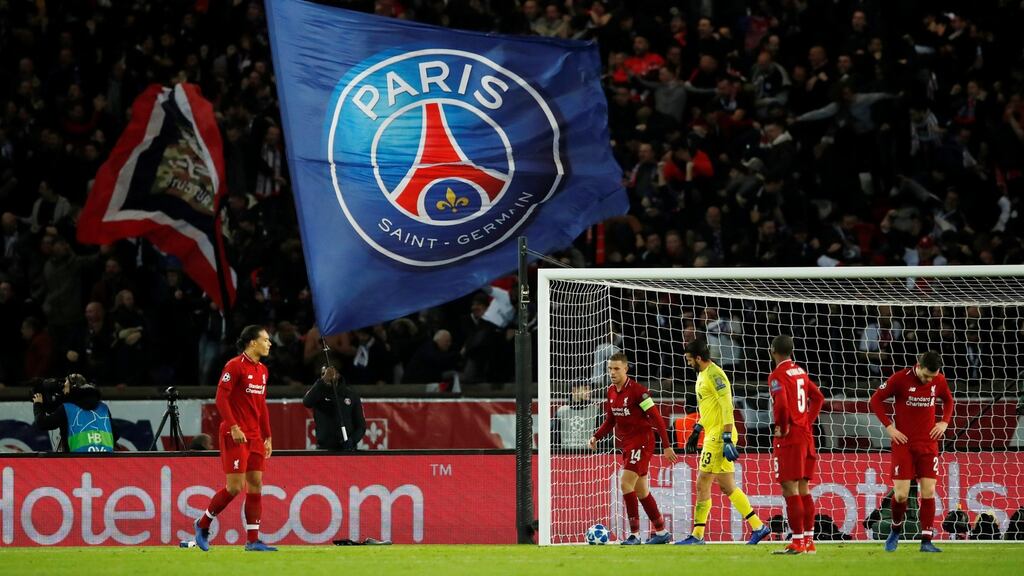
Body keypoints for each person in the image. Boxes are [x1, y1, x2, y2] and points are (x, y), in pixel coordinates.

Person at [676, 339, 771, 545]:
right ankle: (758, 526)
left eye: (689, 359)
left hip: (719, 436)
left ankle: (697, 535)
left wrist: (727, 437)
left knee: (703, 482)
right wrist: (698, 428)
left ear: (698, 358)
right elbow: (711, 408)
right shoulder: (702, 374)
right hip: (712, 432)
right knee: (727, 486)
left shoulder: (715, 375)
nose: (688, 363)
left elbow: (727, 406)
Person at [193, 325, 276, 552]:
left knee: (256, 483)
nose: (269, 344)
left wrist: (268, 435)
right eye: (265, 340)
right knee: (235, 487)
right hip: (235, 434)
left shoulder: (263, 371)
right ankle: (202, 524)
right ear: (252, 342)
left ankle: (252, 540)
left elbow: (261, 406)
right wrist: (234, 426)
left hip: (255, 436)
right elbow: (221, 398)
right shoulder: (234, 366)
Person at [588, 352, 677, 545]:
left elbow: (657, 418)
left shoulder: (638, 391)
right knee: (642, 491)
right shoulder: (611, 391)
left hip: (642, 442)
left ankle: (634, 535)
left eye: (616, 369)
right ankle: (661, 532)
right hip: (628, 444)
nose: (612, 372)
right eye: (610, 369)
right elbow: (610, 420)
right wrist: (596, 436)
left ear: (626, 369)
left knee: (625, 484)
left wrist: (667, 446)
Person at [870, 351, 954, 553]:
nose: (929, 380)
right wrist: (889, 427)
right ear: (918, 366)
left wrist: (944, 422)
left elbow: (948, 400)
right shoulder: (900, 379)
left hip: (928, 445)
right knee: (901, 495)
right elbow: (876, 400)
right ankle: (895, 530)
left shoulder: (939, 380)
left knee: (929, 492)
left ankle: (926, 541)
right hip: (904, 445)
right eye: (926, 376)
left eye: (932, 377)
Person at [766, 335, 824, 555]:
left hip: (790, 438)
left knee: (789, 488)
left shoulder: (777, 375)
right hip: (806, 435)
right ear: (791, 351)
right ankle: (808, 541)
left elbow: (781, 404)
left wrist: (782, 426)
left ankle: (797, 541)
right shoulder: (800, 371)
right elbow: (818, 397)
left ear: (773, 351)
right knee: (803, 488)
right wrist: (807, 421)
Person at [32, 373, 114, 452]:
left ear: (73, 387)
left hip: (77, 459)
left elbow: (42, 423)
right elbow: (114, 434)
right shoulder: (104, 408)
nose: (63, 391)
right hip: (106, 459)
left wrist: (38, 404)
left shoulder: (67, 408)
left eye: (65, 387)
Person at [303, 365, 366, 451]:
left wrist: (352, 441)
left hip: (347, 450)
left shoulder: (351, 395)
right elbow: (306, 402)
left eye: (330, 373)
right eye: (323, 374)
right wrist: (323, 381)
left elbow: (361, 426)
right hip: (324, 449)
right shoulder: (317, 393)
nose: (327, 376)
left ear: (338, 374)